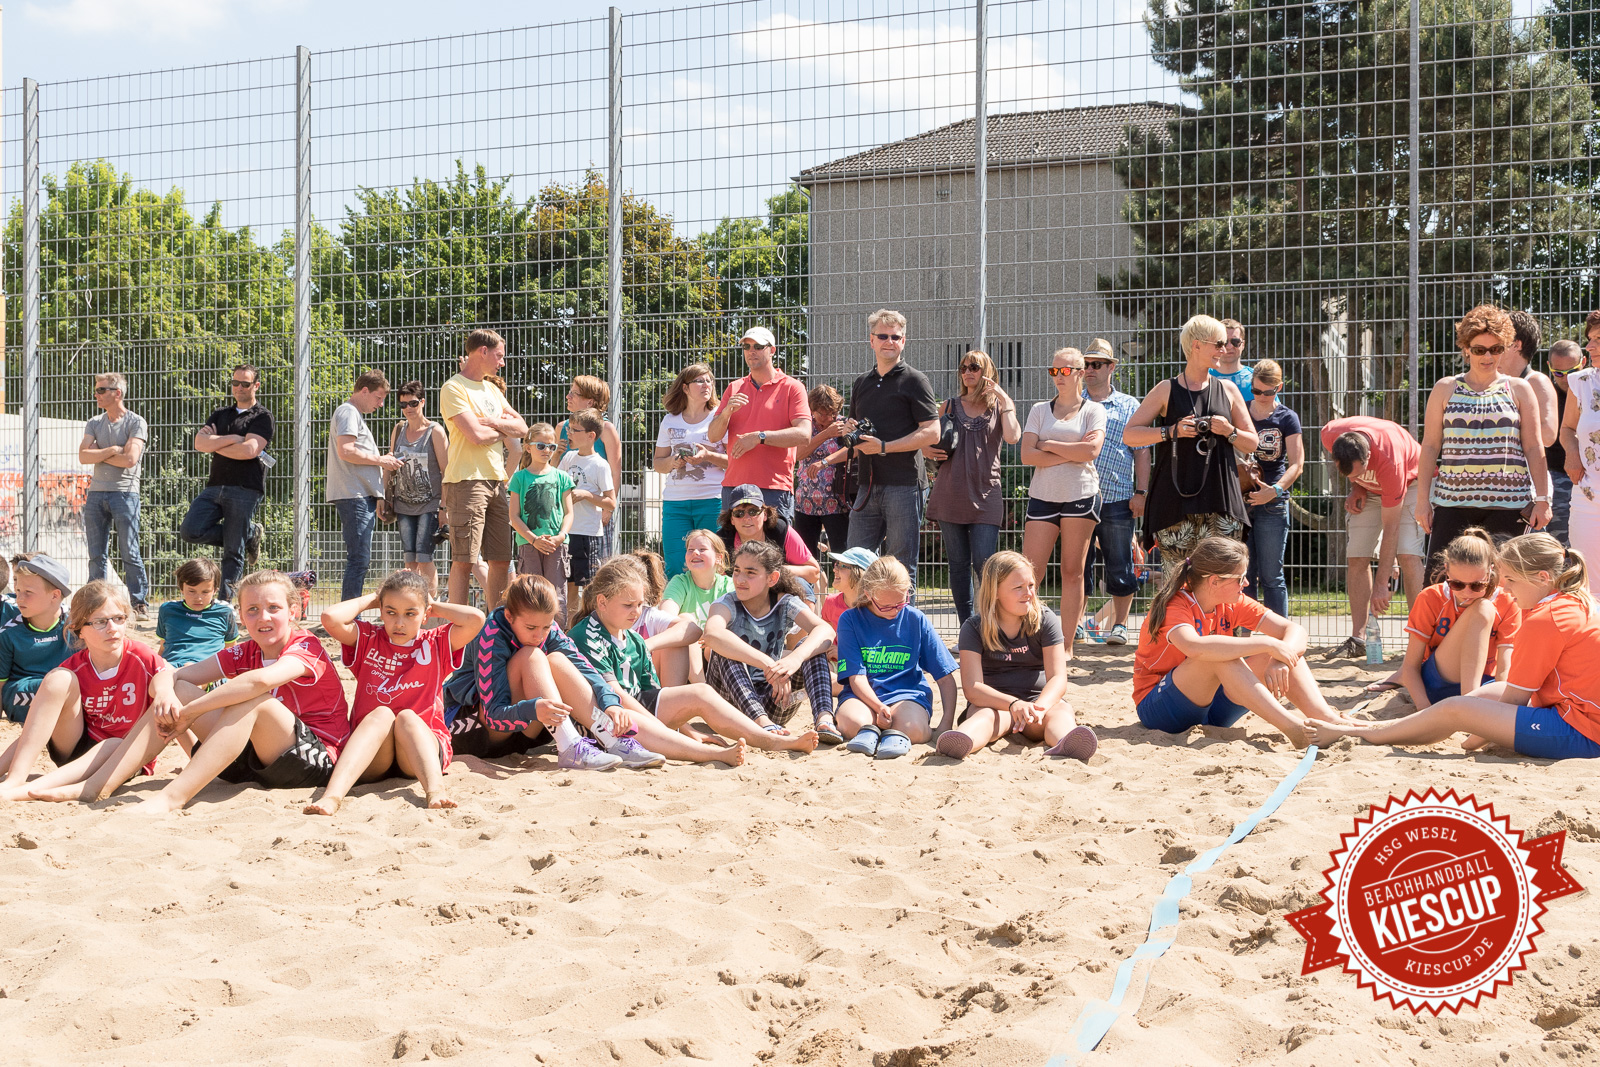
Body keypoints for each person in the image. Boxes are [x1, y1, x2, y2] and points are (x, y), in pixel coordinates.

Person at [38, 570, 353, 811]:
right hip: (253, 764)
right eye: (253, 610)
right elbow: (171, 674)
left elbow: (257, 683)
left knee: (254, 701)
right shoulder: (245, 651)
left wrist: (190, 713)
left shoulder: (306, 645)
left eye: (274, 608)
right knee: (180, 689)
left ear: (293, 611)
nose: (263, 617)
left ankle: (171, 798)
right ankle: (97, 785)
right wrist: (166, 694)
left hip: (315, 762)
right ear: (240, 615)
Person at [1308, 534, 1600, 760]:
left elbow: (1515, 699)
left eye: (1510, 579)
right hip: (1578, 715)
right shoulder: (1575, 601)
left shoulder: (1544, 618)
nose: (1507, 588)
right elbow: (1514, 689)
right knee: (1476, 698)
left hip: (1583, 730)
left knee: (1457, 707)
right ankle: (1370, 729)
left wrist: (1473, 735)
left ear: (1543, 578)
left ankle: (1362, 733)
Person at [440, 574, 744, 769]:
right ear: (509, 616)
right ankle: (571, 746)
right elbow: (494, 713)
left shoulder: (548, 630)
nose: (539, 634)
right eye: (531, 627)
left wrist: (610, 704)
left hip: (531, 732)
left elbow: (585, 668)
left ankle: (613, 739)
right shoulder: (492, 633)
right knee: (532, 656)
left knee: (558, 659)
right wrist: (534, 708)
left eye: (546, 626)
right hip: (480, 731)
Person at [571, 558, 819, 755]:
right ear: (602, 602)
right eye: (628, 605)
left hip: (635, 708)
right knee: (641, 713)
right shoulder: (587, 635)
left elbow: (652, 692)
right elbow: (616, 697)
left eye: (640, 605)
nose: (636, 612)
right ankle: (720, 751)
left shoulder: (633, 638)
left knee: (701, 692)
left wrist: (686, 728)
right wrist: (662, 730)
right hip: (605, 717)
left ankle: (767, 736)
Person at [1131, 537, 1353, 744]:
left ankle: (1328, 720)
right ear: (1214, 581)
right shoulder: (1176, 604)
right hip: (1159, 709)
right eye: (1240, 578)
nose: (1246, 583)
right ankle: (1296, 730)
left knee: (1281, 652)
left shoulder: (1232, 601)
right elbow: (1194, 647)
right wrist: (1269, 644)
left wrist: (1280, 659)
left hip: (1212, 710)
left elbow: (1295, 630)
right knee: (1220, 655)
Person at [305, 570, 486, 815]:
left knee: (407, 717)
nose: (399, 623)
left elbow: (475, 619)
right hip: (372, 755)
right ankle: (332, 797)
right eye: (391, 612)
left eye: (410, 614)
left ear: (425, 615)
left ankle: (435, 791)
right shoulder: (368, 638)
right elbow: (330, 618)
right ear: (381, 611)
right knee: (382, 714)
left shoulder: (436, 642)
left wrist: (431, 605)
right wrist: (375, 598)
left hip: (420, 751)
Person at [0, 582, 177, 801]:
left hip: (123, 755)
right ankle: (15, 780)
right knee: (57, 679)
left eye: (118, 618)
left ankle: (26, 791)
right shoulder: (74, 667)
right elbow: (34, 730)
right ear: (79, 629)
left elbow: (172, 681)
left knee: (113, 743)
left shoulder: (141, 656)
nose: (112, 628)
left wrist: (166, 691)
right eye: (100, 622)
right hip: (76, 749)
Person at [1123, 315, 1258, 575]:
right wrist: (1170, 431)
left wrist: (1228, 431)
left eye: (1226, 344)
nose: (1224, 350)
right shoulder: (1166, 389)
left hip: (1220, 501)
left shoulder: (1228, 390)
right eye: (1218, 344)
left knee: (1220, 578)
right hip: (1175, 503)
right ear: (1196, 345)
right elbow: (1130, 435)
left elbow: (1252, 442)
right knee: (1177, 581)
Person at [1417, 304, 1551, 558]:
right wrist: (1422, 500)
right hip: (1451, 504)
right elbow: (1431, 446)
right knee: (1440, 577)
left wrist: (1543, 499)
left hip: (1509, 505)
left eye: (1496, 349)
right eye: (1480, 350)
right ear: (1466, 349)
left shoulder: (1519, 389)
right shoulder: (1445, 388)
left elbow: (1534, 447)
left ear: (1505, 348)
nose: (1488, 356)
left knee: (1503, 579)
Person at [936, 552, 1097, 762]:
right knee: (983, 716)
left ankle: (1067, 741)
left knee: (1061, 711)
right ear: (995, 592)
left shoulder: (1045, 620)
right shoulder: (974, 628)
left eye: (1031, 585)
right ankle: (961, 741)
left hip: (1036, 706)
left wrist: (1040, 708)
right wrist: (1013, 704)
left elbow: (1058, 678)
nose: (1028, 593)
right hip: (995, 706)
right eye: (1018, 587)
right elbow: (973, 688)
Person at [701, 540, 841, 745]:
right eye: (737, 571)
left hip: (773, 698)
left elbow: (825, 630)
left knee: (812, 647)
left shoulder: (784, 602)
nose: (740, 579)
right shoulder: (726, 603)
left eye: (750, 573)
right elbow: (712, 634)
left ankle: (824, 719)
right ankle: (761, 724)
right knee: (725, 647)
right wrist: (768, 664)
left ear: (772, 578)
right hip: (728, 707)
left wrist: (794, 659)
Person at [924, 350, 1021, 625]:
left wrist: (1005, 399)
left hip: (986, 494)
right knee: (957, 565)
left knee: (985, 564)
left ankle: (990, 624)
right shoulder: (949, 405)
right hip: (950, 493)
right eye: (964, 367)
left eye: (974, 367)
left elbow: (1013, 437)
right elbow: (926, 439)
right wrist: (926, 451)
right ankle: (968, 626)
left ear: (987, 372)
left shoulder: (1000, 406)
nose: (967, 372)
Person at [845, 310, 940, 590]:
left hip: (904, 485)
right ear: (871, 340)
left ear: (904, 341)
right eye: (883, 336)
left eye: (895, 337)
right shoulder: (862, 382)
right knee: (854, 563)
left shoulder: (915, 380)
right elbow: (854, 427)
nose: (889, 341)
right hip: (866, 484)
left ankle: (902, 620)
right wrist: (849, 429)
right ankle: (861, 618)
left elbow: (932, 432)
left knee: (901, 566)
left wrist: (885, 447)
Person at [1322, 414, 1428, 660]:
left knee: (1408, 554)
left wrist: (1382, 585)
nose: (1354, 476)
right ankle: (1358, 640)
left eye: (1360, 472)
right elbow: (1354, 471)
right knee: (1357, 555)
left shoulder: (1391, 460)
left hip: (1412, 482)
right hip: (1371, 488)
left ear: (1368, 456)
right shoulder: (1329, 434)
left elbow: (1391, 527)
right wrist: (1357, 485)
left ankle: (1420, 642)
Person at [1021, 347, 1105, 653]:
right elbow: (1027, 455)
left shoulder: (1093, 410)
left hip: (1080, 494)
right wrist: (1071, 452)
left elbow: (1090, 452)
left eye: (1066, 370)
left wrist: (1049, 445)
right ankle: (1026, 640)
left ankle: (1066, 646)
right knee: (1029, 573)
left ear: (1080, 373)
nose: (1059, 376)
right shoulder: (1039, 410)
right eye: (1054, 371)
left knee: (1072, 572)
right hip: (1043, 496)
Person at [835, 555, 958, 759]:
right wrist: (878, 707)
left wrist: (946, 723)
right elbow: (856, 678)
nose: (894, 611)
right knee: (852, 723)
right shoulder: (850, 619)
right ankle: (875, 732)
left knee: (913, 729)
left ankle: (885, 733)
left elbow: (945, 677)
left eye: (901, 603)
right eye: (885, 606)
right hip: (863, 697)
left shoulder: (915, 619)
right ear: (868, 594)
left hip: (907, 695)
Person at [440, 329, 528, 609]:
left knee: (501, 559)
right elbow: (475, 435)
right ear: (483, 351)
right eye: (499, 356)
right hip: (466, 482)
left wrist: (492, 423)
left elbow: (522, 428)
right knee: (464, 560)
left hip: (497, 482)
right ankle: (457, 624)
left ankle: (496, 623)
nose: (502, 362)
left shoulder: (492, 389)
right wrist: (502, 429)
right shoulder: (453, 388)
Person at [1392, 528, 1519, 709]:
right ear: (1447, 572)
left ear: (1491, 571)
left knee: (1484, 607)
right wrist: (1424, 710)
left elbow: (1504, 670)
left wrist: (1502, 709)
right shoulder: (1431, 597)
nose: (1467, 593)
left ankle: (1470, 705)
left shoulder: (1507, 601)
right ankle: (1469, 706)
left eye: (1477, 585)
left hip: (1485, 683)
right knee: (1483, 608)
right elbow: (1410, 667)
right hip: (1438, 684)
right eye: (1457, 584)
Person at [180, 364, 274, 599]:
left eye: (245, 384)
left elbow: (250, 451)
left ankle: (225, 603)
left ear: (256, 386)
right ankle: (249, 533)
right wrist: (234, 438)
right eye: (235, 383)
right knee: (191, 530)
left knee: (233, 550)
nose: (239, 387)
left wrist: (216, 442)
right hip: (215, 485)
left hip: (246, 488)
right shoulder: (220, 414)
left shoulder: (262, 416)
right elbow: (199, 444)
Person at [1080, 338, 1148, 646]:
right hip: (1078, 497)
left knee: (1120, 564)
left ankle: (1119, 626)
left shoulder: (1130, 405)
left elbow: (1142, 451)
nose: (1089, 370)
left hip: (1118, 497)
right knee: (1078, 566)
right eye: (1085, 365)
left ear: (1111, 368)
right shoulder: (1073, 402)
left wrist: (1141, 492)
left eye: (1096, 364)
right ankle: (1077, 623)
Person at [705, 327, 811, 520]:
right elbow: (713, 436)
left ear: (772, 350)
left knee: (774, 541)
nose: (751, 351)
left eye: (758, 346)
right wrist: (727, 411)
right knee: (734, 541)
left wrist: (760, 437)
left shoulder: (793, 387)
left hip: (774, 488)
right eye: (746, 346)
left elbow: (804, 434)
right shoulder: (734, 387)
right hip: (734, 488)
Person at [326, 369, 403, 601]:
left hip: (360, 495)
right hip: (354, 496)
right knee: (359, 559)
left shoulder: (353, 414)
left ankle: (349, 613)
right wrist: (381, 460)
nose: (380, 404)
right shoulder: (348, 412)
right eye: (378, 397)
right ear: (365, 391)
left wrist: (377, 495)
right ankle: (349, 615)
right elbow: (346, 451)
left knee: (359, 559)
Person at [78, 371, 150, 617]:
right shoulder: (94, 422)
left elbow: (130, 459)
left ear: (117, 393)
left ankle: (138, 602)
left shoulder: (136, 422)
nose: (96, 395)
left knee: (129, 550)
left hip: (126, 493)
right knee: (96, 554)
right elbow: (83, 456)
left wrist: (99, 452)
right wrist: (112, 450)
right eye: (96, 390)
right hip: (96, 493)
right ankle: (94, 603)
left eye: (101, 390)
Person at [653, 364, 729, 576]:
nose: (707, 385)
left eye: (709, 381)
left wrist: (708, 456)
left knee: (714, 565)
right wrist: (673, 462)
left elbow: (734, 462)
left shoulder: (719, 417)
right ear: (685, 388)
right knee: (676, 567)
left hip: (713, 501)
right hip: (675, 503)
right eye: (700, 381)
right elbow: (658, 463)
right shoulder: (669, 420)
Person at [1241, 360, 1303, 619]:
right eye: (1256, 391)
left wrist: (1275, 490)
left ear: (1279, 388)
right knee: (1243, 575)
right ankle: (1246, 634)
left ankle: (1279, 634)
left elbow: (1297, 464)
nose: (1262, 397)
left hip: (1272, 503)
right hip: (1242, 501)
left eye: (1268, 392)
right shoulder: (1241, 411)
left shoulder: (1287, 417)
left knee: (1271, 576)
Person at [383, 380, 449, 596]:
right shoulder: (398, 430)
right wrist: (383, 497)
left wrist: (444, 507)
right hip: (403, 504)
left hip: (430, 504)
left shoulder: (435, 431)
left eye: (412, 403)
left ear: (422, 402)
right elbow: (389, 465)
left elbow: (446, 471)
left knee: (424, 557)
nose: (408, 409)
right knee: (410, 558)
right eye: (403, 405)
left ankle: (431, 604)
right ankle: (412, 602)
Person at [509, 423, 575, 625]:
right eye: (541, 446)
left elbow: (569, 513)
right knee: (531, 595)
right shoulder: (519, 477)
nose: (547, 450)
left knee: (557, 596)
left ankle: (557, 636)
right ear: (527, 447)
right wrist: (533, 539)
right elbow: (514, 516)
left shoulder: (562, 477)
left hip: (557, 545)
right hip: (529, 545)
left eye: (551, 447)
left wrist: (561, 536)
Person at [0, 554, 73, 724]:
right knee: (53, 687)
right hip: (23, 697)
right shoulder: (8, 633)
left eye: (28, 592)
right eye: (18, 591)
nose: (19, 598)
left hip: (67, 691)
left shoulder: (77, 629)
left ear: (55, 596)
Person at [557, 375, 624, 557]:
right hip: (566, 514)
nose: (568, 396)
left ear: (590, 402)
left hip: (594, 515)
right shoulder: (561, 428)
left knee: (596, 565)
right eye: (570, 392)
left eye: (574, 393)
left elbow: (615, 472)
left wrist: (607, 509)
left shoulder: (607, 429)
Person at [716, 483, 823, 597]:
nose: (746, 518)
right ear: (732, 519)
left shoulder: (781, 531)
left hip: (780, 589)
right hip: (739, 593)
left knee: (801, 584)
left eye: (753, 512)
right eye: (739, 513)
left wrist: (776, 571)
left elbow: (814, 572)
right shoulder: (721, 541)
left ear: (765, 514)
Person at [558, 410, 616, 613]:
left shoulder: (600, 465)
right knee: (568, 583)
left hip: (588, 534)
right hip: (566, 532)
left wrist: (586, 495)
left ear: (591, 435)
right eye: (569, 429)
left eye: (574, 430)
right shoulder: (568, 457)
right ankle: (569, 625)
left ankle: (588, 621)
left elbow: (611, 502)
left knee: (588, 585)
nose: (569, 434)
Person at [793, 385, 852, 563]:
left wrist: (825, 461)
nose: (828, 418)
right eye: (822, 414)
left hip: (836, 502)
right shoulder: (805, 426)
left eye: (832, 413)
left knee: (842, 556)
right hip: (805, 501)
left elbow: (854, 451)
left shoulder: (844, 424)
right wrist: (826, 434)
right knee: (805, 557)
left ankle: (841, 581)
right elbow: (798, 454)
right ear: (812, 409)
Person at [156, 558, 238, 668]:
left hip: (207, 670)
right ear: (181, 588)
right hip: (172, 667)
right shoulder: (167, 610)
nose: (198, 598)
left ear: (215, 590)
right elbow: (163, 647)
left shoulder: (224, 613)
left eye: (205, 592)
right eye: (191, 591)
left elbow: (230, 649)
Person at [1500, 309, 1560, 451]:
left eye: (1498, 341)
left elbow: (1548, 435)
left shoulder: (1537, 381)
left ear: (1516, 345)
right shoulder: (1493, 382)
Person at [1546, 339, 1585, 546]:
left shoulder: (1591, 391)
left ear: (1583, 362)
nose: (1567, 379)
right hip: (1556, 476)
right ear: (1549, 367)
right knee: (1559, 544)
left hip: (1589, 475)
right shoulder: (1545, 395)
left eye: (1572, 371)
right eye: (1559, 373)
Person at [1211, 318, 1253, 401]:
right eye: (1224, 342)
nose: (1229, 347)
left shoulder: (1257, 378)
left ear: (1243, 344)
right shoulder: (1204, 377)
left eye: (1235, 341)